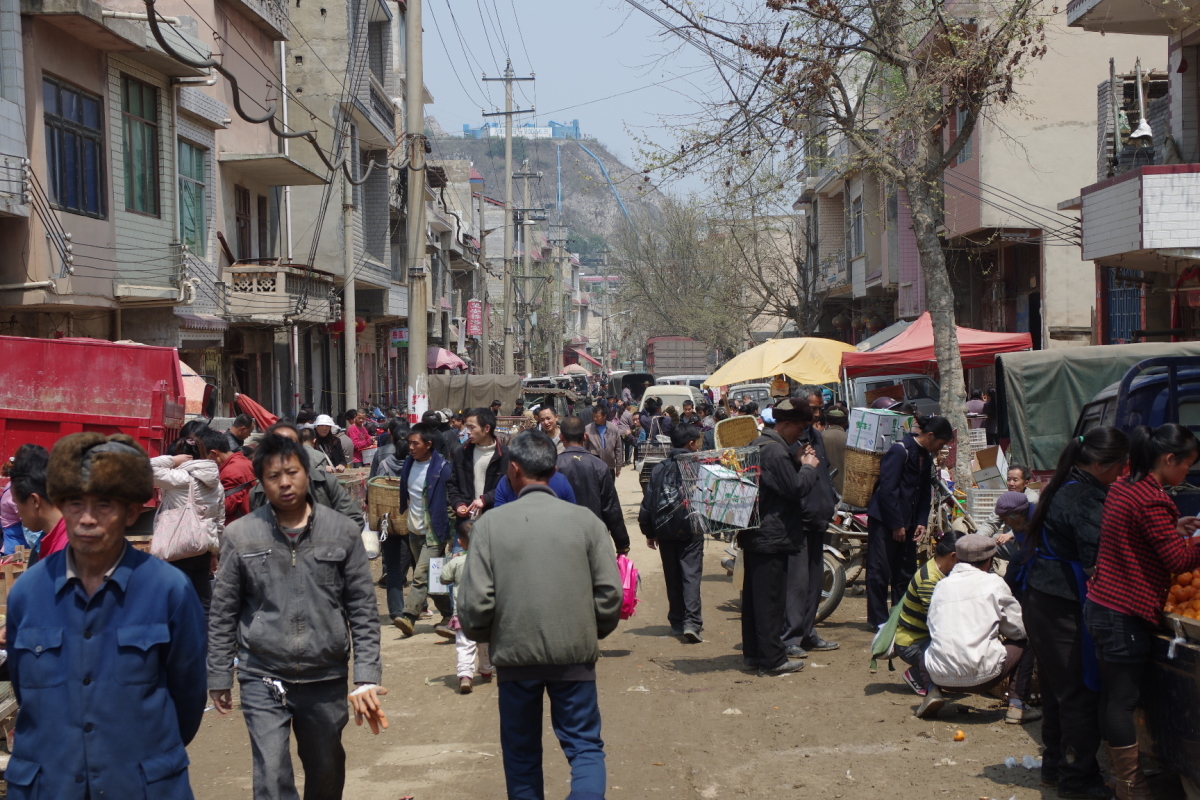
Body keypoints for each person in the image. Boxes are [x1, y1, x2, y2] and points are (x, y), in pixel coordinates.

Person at [6, 433, 207, 799]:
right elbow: (25, 688)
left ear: (131, 512)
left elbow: (188, 700)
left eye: (103, 505)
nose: (86, 519)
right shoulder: (27, 594)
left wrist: (138, 757)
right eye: (74, 503)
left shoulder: (169, 591)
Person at [208, 433, 387, 800]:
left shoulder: (342, 531)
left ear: (308, 473)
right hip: (262, 673)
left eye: (292, 472)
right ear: (261, 482)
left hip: (325, 674)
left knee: (326, 768)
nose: (285, 483)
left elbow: (363, 609)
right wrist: (220, 674)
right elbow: (223, 610)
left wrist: (366, 674)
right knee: (271, 775)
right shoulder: (240, 535)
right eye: (274, 476)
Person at [459, 429, 622, 800]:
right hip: (574, 655)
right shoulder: (588, 523)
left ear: (514, 469)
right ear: (553, 469)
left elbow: (475, 604)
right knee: (585, 747)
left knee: (521, 754)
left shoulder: (488, 527)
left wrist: (492, 635)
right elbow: (610, 594)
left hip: (515, 657)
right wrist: (587, 630)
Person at [1085, 424, 1200, 799]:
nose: (1188, 472)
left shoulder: (1125, 485)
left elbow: (1137, 534)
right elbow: (1177, 560)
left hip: (1102, 604)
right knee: (1122, 702)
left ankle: (1121, 780)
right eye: (1187, 465)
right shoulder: (1152, 498)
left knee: (1112, 698)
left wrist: (1173, 527)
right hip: (1124, 612)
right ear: (1168, 459)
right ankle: (1133, 788)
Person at [1022, 427, 1129, 799]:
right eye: (1120, 466)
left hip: (1042, 599)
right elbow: (1097, 563)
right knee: (1079, 695)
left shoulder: (1063, 485)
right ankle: (1077, 780)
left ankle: (1056, 767)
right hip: (1061, 604)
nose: (1123, 473)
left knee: (1058, 692)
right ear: (1101, 465)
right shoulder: (1085, 498)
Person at [918, 533, 1038, 723]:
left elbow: (933, 626)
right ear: (989, 561)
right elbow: (1019, 630)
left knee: (928, 647)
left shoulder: (941, 586)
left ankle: (932, 691)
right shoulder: (995, 583)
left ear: (957, 558)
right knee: (1028, 640)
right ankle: (1017, 705)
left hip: (939, 675)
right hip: (984, 677)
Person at [740, 397, 821, 675]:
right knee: (771, 601)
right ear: (786, 424)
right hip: (771, 536)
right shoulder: (774, 451)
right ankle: (772, 660)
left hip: (757, 533)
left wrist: (795, 461)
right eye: (799, 428)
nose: (801, 434)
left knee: (755, 599)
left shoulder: (760, 444)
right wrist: (808, 466)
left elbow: (778, 482)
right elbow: (795, 488)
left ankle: (754, 654)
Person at [866, 415, 954, 628]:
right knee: (879, 571)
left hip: (910, 522)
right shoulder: (900, 451)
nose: (940, 449)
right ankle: (878, 620)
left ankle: (900, 616)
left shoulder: (926, 457)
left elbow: (923, 492)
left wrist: (921, 521)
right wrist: (896, 524)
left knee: (904, 571)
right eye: (940, 443)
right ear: (930, 436)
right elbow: (888, 490)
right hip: (885, 520)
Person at [782, 389, 839, 657]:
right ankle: (790, 637)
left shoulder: (816, 436)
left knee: (815, 582)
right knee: (797, 584)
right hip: (798, 522)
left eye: (819, 408)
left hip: (818, 518)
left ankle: (807, 632)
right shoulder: (789, 440)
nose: (817, 413)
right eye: (812, 408)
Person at [638, 423, 705, 642]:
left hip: (665, 531)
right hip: (692, 529)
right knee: (691, 575)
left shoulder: (659, 469)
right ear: (691, 443)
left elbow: (648, 502)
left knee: (672, 575)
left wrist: (649, 531)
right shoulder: (699, 466)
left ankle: (677, 621)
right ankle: (692, 622)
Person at [149, 431, 224, 613]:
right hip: (203, 548)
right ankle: (204, 632)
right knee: (202, 601)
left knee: (175, 601)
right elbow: (219, 520)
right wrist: (214, 554)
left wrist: (172, 461)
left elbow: (142, 467)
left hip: (178, 545)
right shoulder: (216, 483)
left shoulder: (179, 479)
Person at [393, 423, 455, 638]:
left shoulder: (442, 469)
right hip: (414, 530)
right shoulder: (409, 464)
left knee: (420, 575)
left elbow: (450, 502)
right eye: (409, 443)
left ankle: (409, 616)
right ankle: (448, 614)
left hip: (434, 532)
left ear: (428, 444)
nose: (410, 447)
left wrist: (451, 535)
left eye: (415, 443)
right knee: (433, 577)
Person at [248, 423, 365, 528]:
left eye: (290, 444)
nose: (285, 483)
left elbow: (354, 519)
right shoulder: (258, 493)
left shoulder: (325, 483)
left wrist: (327, 541)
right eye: (277, 444)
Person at [894, 530, 960, 698]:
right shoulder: (929, 579)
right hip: (912, 644)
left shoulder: (938, 569)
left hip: (923, 637)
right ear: (953, 556)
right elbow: (937, 620)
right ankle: (916, 675)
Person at [558, 417, 630, 554]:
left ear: (561, 437)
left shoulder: (554, 466)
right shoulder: (599, 465)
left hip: (563, 538)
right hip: (595, 536)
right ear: (585, 436)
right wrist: (622, 544)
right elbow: (611, 507)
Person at [439, 520, 494, 694]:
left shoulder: (457, 562)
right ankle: (486, 670)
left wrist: (452, 562)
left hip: (463, 613)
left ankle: (465, 676)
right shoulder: (489, 561)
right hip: (485, 611)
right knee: (485, 645)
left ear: (460, 542)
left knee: (464, 645)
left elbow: (444, 578)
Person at [8, 444, 67, 561]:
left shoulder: (69, 552)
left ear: (34, 501)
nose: (18, 513)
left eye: (17, 503)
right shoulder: (45, 542)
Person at [449, 408, 509, 521]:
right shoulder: (461, 452)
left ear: (486, 428)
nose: (468, 431)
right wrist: (458, 504)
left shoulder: (505, 455)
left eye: (472, 427)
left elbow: (509, 486)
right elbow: (453, 484)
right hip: (466, 521)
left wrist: (486, 499)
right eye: (467, 427)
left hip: (494, 520)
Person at [208, 429, 257, 525]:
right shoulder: (243, 461)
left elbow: (226, 507)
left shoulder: (230, 472)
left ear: (214, 453)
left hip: (238, 526)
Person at [978, 464, 1041, 537]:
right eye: (1008, 479)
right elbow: (991, 523)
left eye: (1015, 480)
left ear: (1025, 483)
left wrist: (1010, 534)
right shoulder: (1006, 499)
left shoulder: (1032, 500)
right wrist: (979, 537)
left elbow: (1031, 524)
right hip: (1008, 542)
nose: (1011, 483)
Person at [585, 404, 622, 478]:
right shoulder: (588, 429)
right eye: (593, 416)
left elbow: (618, 449)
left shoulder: (613, 429)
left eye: (597, 417)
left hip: (609, 466)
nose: (595, 419)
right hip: (594, 467)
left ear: (604, 416)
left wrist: (618, 466)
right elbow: (584, 447)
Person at [823, 409, 848, 498]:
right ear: (845, 423)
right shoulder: (849, 438)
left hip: (826, 487)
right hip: (845, 488)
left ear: (828, 422)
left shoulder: (820, 436)